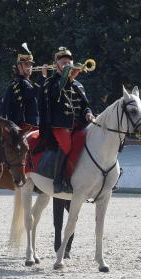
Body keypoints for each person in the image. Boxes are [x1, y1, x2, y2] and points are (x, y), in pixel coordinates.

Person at [39, 46, 95, 194]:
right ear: (56, 64)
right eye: (63, 62)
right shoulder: (51, 82)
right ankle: (58, 180)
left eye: (69, 62)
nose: (67, 65)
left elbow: (85, 106)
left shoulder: (78, 85)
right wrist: (67, 77)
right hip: (60, 125)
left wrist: (88, 113)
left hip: (78, 124)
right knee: (66, 146)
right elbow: (54, 94)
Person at [1, 49, 47, 132]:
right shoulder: (19, 82)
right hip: (26, 125)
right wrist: (43, 76)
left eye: (31, 65)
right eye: (26, 65)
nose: (30, 67)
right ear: (19, 67)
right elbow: (30, 94)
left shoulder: (26, 82)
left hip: (34, 123)